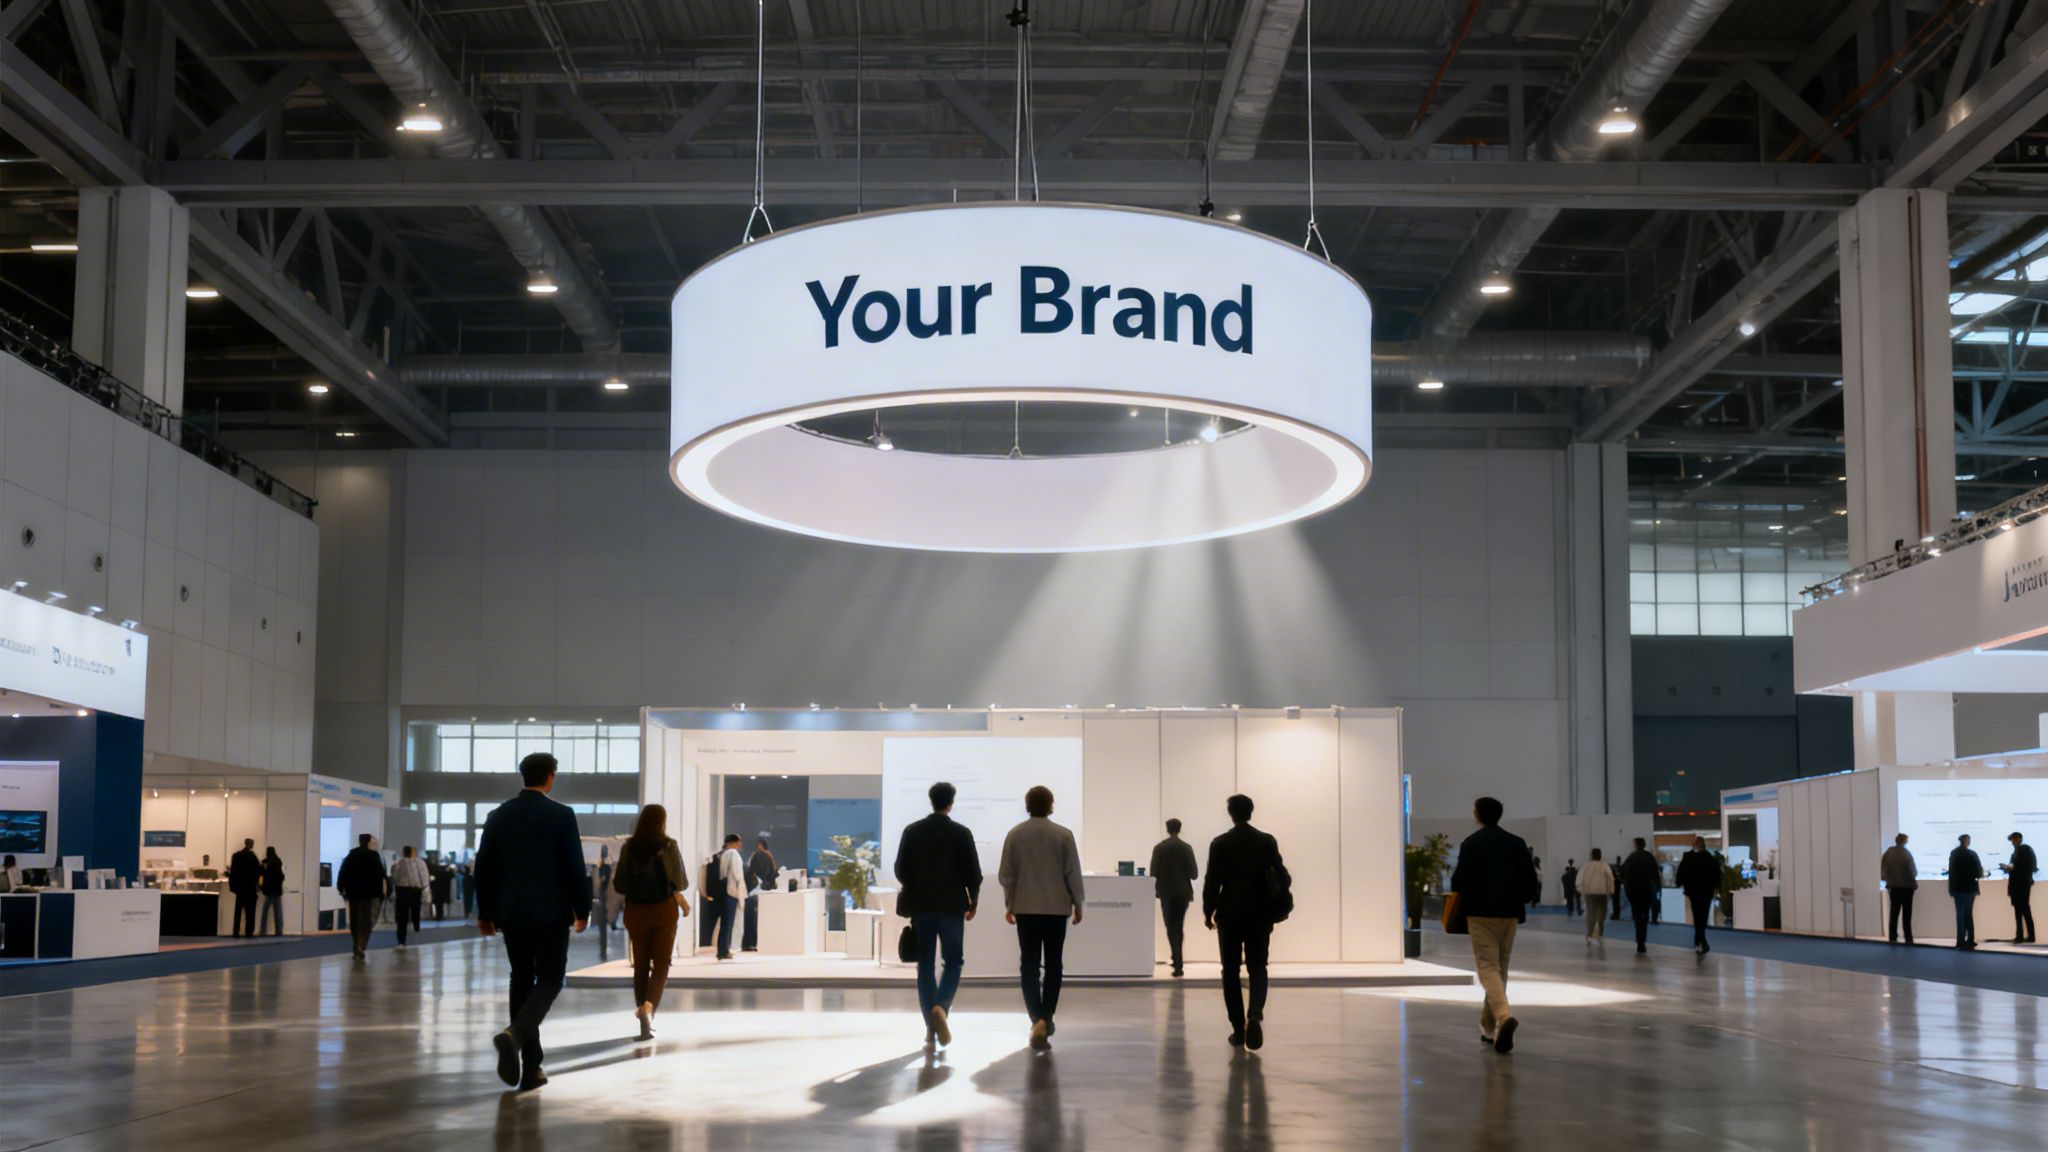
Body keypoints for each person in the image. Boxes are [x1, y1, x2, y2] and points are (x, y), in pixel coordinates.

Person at [475, 752, 590, 1092]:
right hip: (552, 912)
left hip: (512, 913)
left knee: (521, 978)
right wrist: (582, 909)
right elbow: (573, 867)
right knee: (551, 978)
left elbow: (485, 868)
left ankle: (532, 1066)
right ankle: (516, 1035)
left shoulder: (498, 815)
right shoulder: (561, 815)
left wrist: (485, 912)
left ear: (522, 776)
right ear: (550, 777)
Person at [893, 781, 982, 1049]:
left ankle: (931, 1029)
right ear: (950, 802)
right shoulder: (961, 833)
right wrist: (973, 900)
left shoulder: (913, 831)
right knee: (953, 962)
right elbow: (973, 873)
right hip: (952, 907)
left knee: (925, 965)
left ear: (930, 801)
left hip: (921, 908)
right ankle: (941, 1008)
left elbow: (900, 869)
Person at [998, 785, 1086, 1050]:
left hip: (1025, 907)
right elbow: (1072, 871)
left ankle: (1035, 1016)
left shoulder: (1015, 834)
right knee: (1054, 965)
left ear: (1027, 804)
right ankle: (1047, 1017)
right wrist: (1077, 902)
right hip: (1056, 908)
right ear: (1051, 804)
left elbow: (1006, 875)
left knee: (1029, 964)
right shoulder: (1063, 835)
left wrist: (1010, 903)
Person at [1450, 796, 1539, 1055]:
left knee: (1487, 966)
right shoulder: (1516, 843)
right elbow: (1530, 882)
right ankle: (1488, 1028)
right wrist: (1517, 899)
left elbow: (1458, 881)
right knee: (1500, 968)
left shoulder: (1471, 843)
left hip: (1480, 913)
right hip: (1509, 913)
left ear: (1478, 814)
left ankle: (1503, 1016)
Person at [1203, 793, 1284, 1051]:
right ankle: (1255, 1012)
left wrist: (1208, 911)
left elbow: (1212, 881)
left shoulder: (1220, 843)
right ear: (1251, 811)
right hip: (1260, 913)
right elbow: (1280, 875)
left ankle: (1238, 1029)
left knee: (1230, 971)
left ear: (1231, 814)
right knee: (1258, 966)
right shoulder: (1266, 842)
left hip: (1230, 914)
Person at [613, 803, 689, 1040]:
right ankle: (648, 1008)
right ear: (662, 822)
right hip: (663, 910)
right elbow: (681, 882)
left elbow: (619, 884)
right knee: (662, 964)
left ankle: (642, 1021)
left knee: (641, 965)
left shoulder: (629, 847)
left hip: (636, 910)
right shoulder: (669, 846)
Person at [1148, 818, 1199, 977]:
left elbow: (1153, 873)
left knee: (1171, 926)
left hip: (1166, 893)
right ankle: (1178, 959)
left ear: (1167, 829)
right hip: (1183, 893)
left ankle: (1177, 959)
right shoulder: (1186, 848)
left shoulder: (1160, 848)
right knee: (1179, 925)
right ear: (1180, 828)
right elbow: (1194, 874)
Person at [337, 833, 386, 961]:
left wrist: (340, 887)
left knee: (354, 919)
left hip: (353, 893)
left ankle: (356, 943)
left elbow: (343, 872)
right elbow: (380, 874)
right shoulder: (373, 855)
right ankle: (361, 944)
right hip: (369, 893)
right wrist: (381, 893)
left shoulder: (352, 855)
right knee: (366, 919)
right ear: (369, 842)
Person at [1675, 837, 1719, 954]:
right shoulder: (1709, 858)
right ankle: (1700, 939)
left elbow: (1681, 872)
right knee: (1703, 916)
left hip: (1693, 892)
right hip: (1706, 892)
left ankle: (1699, 939)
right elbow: (1716, 875)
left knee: (1697, 915)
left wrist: (1681, 884)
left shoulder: (1688, 857)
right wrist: (1716, 887)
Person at [1620, 838, 1661, 954]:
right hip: (1646, 891)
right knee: (1645, 915)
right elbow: (1655, 874)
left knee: (1637, 915)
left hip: (1634, 892)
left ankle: (1639, 940)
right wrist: (1657, 887)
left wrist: (1626, 885)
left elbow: (1623, 872)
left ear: (1635, 845)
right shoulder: (1649, 857)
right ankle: (1642, 939)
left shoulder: (1631, 857)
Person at [1947, 833, 1985, 950]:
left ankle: (1960, 940)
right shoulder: (1972, 854)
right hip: (1970, 889)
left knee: (1960, 914)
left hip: (1957, 888)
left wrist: (1951, 888)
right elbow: (1979, 873)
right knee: (1968, 914)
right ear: (1967, 841)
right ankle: (1970, 939)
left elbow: (1951, 872)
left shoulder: (1954, 854)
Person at [712, 834, 746, 960]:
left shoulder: (723, 854)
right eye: (738, 842)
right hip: (732, 891)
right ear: (732, 843)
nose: (740, 845)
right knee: (728, 922)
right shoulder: (733, 854)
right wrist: (741, 890)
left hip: (723, 891)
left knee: (725, 923)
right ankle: (724, 950)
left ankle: (723, 949)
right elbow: (738, 875)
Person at [2000, 831, 2037, 944]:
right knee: (2019, 911)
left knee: (2024, 910)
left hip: (2022, 885)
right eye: (2012, 840)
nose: (2013, 842)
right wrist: (2006, 868)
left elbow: (2026, 866)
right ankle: (2021, 936)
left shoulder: (2025, 849)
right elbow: (2015, 867)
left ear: (2020, 839)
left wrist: (2009, 868)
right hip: (2017, 886)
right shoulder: (2016, 853)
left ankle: (2028, 936)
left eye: (2014, 839)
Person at [1881, 833, 1918, 945]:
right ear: (1904, 841)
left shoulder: (1888, 853)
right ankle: (1908, 937)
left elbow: (1883, 870)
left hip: (1894, 887)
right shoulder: (1906, 854)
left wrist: (1887, 881)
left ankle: (1892, 937)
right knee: (1907, 914)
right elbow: (1913, 871)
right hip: (1907, 888)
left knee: (1894, 913)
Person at [742, 836, 777, 952]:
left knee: (750, 919)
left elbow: (750, 872)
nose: (758, 848)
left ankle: (748, 943)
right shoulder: (769, 857)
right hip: (762, 892)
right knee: (758, 920)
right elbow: (773, 875)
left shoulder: (758, 856)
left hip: (753, 892)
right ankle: (755, 943)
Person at [390, 845, 429, 949]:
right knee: (415, 911)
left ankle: (402, 940)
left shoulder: (398, 863)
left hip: (402, 890)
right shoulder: (419, 863)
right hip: (414, 890)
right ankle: (415, 930)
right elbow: (424, 876)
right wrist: (425, 889)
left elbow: (394, 877)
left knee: (402, 915)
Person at [226, 838, 261, 938]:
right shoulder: (252, 857)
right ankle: (249, 932)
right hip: (250, 888)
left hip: (240, 888)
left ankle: (236, 931)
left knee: (238, 911)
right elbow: (257, 871)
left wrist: (233, 887)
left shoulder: (236, 856)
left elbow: (233, 873)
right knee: (250, 912)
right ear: (251, 844)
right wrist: (257, 885)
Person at [1576, 848, 1613, 940]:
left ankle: (1590, 933)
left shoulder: (1586, 866)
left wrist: (1581, 891)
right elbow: (1610, 879)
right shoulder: (1605, 866)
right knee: (1602, 914)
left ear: (1591, 855)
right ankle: (1600, 932)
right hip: (1602, 893)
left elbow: (1581, 880)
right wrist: (1611, 890)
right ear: (1600, 855)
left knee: (1591, 913)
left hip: (1590, 893)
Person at [258, 846, 286, 936]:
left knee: (265, 912)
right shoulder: (278, 862)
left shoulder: (265, 863)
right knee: (277, 913)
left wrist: (261, 887)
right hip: (276, 891)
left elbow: (261, 874)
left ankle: (263, 930)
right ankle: (278, 931)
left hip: (268, 891)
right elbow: (281, 876)